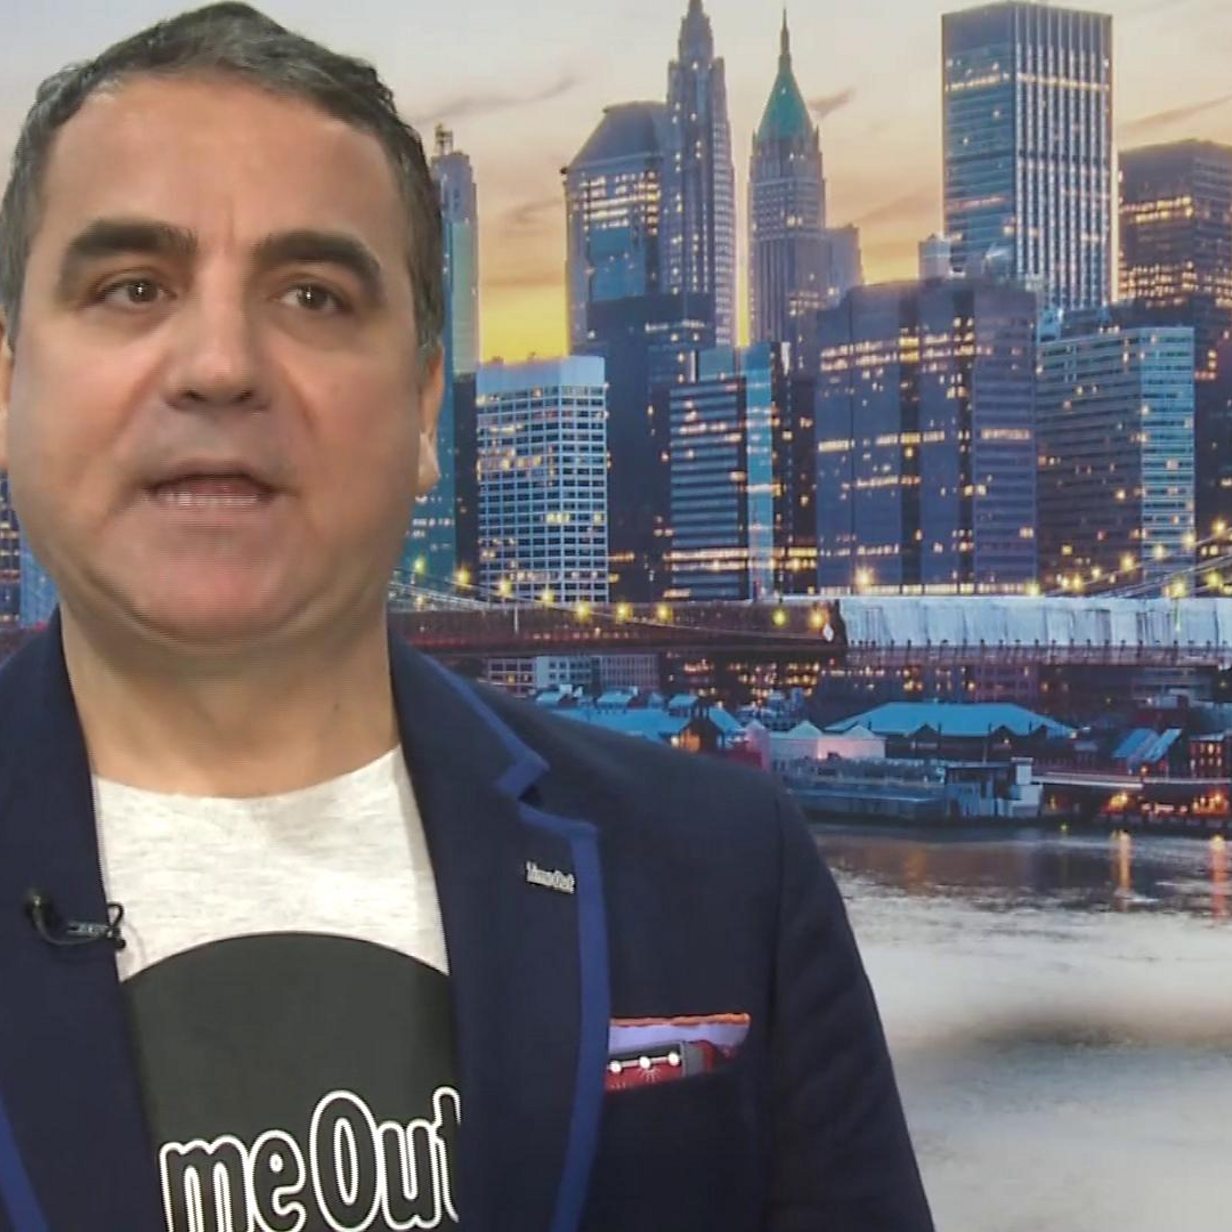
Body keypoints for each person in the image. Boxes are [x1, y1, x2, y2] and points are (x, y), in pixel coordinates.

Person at [0, 6, 933, 1230]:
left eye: (313, 295)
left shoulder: (726, 874)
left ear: (424, 403)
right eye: (132, 287)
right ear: (9, 382)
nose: (219, 363)